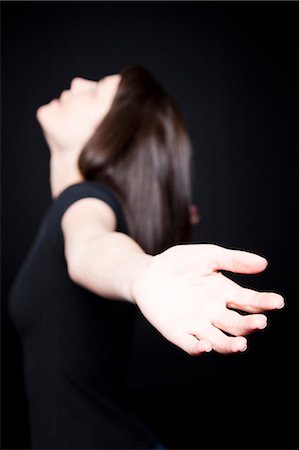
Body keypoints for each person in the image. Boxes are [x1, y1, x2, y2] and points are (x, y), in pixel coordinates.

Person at [8, 64, 285, 450]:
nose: (76, 82)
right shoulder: (81, 207)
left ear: (115, 135)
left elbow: (91, 246)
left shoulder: (84, 203)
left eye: (95, 90)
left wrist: (142, 272)